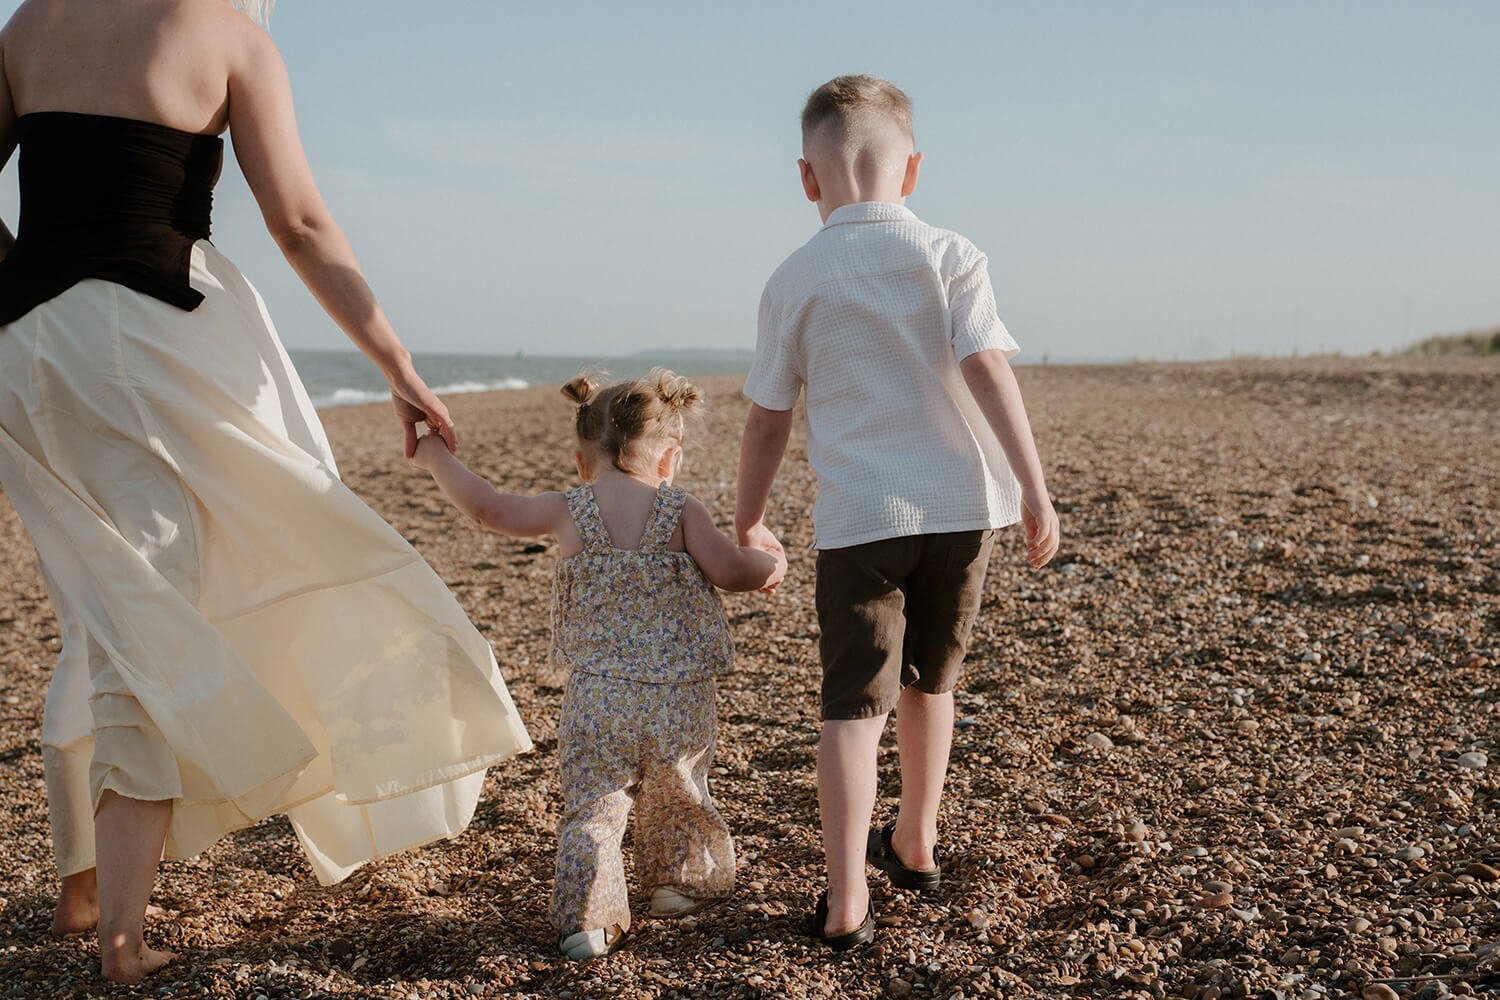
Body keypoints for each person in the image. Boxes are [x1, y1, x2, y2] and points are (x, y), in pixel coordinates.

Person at [0, 0, 531, 983]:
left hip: (26, 346)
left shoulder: (31, 23)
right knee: (161, 605)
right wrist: (399, 365)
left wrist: (28, 281)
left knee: (104, 596)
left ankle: (82, 883)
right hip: (144, 341)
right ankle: (119, 936)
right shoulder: (228, 35)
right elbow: (300, 222)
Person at [734, 74, 1062, 949]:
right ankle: (915, 843)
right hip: (959, 508)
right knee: (933, 681)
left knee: (851, 705)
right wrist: (1033, 485)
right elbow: (990, 369)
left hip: (859, 520)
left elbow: (769, 416)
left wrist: (748, 520)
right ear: (910, 168)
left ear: (807, 178)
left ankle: (846, 900)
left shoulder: (793, 279)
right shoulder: (951, 253)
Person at [410, 370, 786, 961]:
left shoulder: (567, 509)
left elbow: (485, 507)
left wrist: (432, 452)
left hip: (598, 698)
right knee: (679, 788)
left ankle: (587, 922)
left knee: (595, 805)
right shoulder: (680, 509)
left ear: (583, 460)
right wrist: (771, 562)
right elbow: (733, 573)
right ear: (669, 459)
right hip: (677, 697)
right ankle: (675, 886)